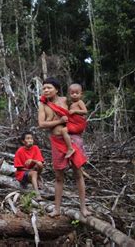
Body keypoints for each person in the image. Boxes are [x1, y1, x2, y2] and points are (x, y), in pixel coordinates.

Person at [38, 77, 91, 217]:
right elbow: (41, 124)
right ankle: (56, 209)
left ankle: (83, 208)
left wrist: (77, 124)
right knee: (59, 176)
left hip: (72, 139)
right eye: (44, 88)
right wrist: (59, 121)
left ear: (56, 89)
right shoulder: (43, 105)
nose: (46, 90)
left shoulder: (65, 101)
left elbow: (79, 111)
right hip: (56, 141)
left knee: (78, 173)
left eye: (49, 87)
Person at [14, 132, 45, 200]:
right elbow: (18, 168)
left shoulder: (35, 148)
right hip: (22, 173)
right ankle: (37, 194)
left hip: (33, 170)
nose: (30, 140)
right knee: (34, 173)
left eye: (31, 138)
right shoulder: (20, 151)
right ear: (23, 141)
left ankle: (37, 177)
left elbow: (40, 162)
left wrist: (32, 160)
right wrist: (29, 171)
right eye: (28, 138)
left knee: (40, 164)